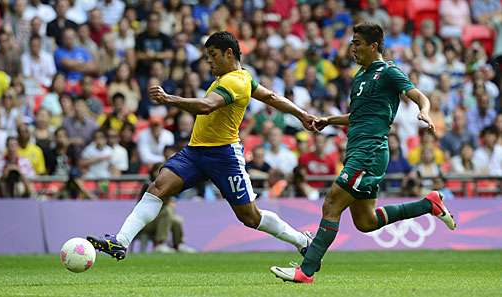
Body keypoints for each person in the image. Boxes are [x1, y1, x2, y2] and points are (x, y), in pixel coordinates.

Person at [87, 31, 317, 261]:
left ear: (229, 53)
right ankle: (121, 241)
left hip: (224, 156)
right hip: (195, 152)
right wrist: (302, 114)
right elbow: (271, 97)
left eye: (212, 55)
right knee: (158, 187)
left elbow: (207, 106)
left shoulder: (236, 80)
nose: (208, 61)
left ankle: (301, 241)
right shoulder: (241, 79)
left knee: (250, 217)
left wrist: (170, 99)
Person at [270, 23, 457, 284]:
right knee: (366, 221)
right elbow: (359, 116)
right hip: (357, 149)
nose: (352, 47)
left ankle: (306, 270)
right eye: (351, 42)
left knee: (332, 203)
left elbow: (419, 96)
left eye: (357, 43)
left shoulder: (389, 72)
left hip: (370, 151)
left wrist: (424, 111)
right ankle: (429, 204)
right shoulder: (360, 76)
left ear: (373, 46)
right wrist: (329, 120)